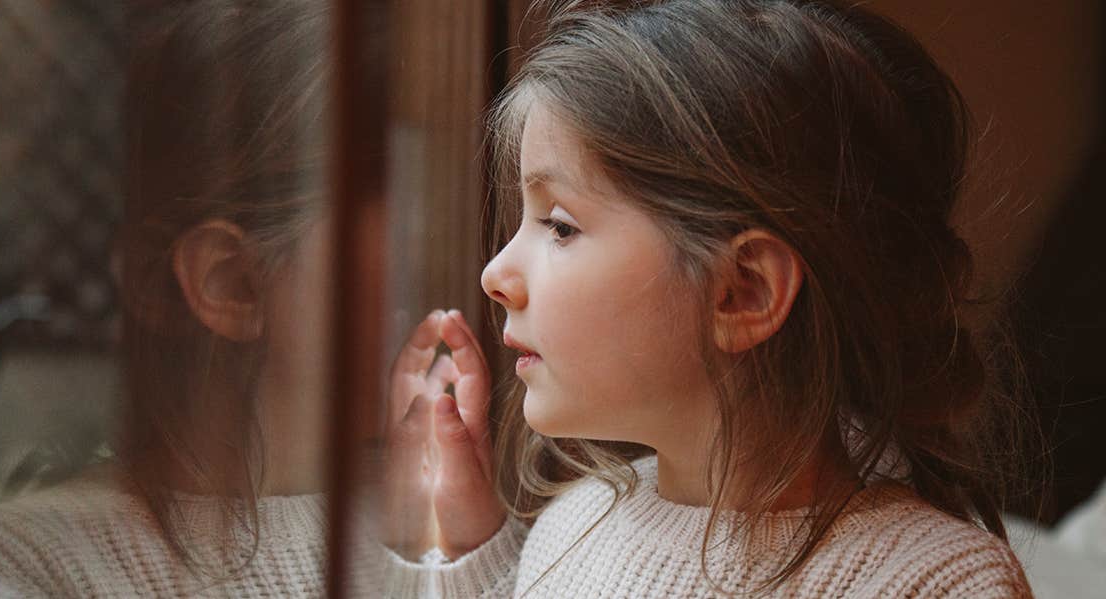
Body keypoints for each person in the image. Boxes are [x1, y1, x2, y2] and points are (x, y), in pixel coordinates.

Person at [381, 0, 1037, 596]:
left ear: (743, 291)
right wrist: (472, 541)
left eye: (559, 225)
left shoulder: (936, 582)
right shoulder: (573, 525)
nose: (496, 273)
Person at [0, 1, 338, 596]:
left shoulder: (462, 518)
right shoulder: (36, 568)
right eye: (403, 199)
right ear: (232, 284)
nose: (483, 261)